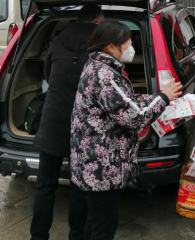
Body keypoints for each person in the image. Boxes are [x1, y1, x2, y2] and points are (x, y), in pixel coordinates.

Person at [70, 21, 182, 240]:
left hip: (91, 160)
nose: (131, 47)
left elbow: (125, 102)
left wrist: (155, 98)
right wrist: (164, 97)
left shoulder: (95, 65)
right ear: (111, 47)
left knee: (94, 220)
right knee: (104, 226)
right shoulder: (106, 76)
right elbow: (135, 117)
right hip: (101, 166)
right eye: (127, 43)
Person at [30, 4, 105, 240]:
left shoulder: (56, 41)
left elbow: (47, 74)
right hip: (84, 127)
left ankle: (38, 236)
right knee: (79, 188)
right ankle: (77, 236)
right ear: (98, 22)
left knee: (45, 186)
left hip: (52, 121)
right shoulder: (101, 48)